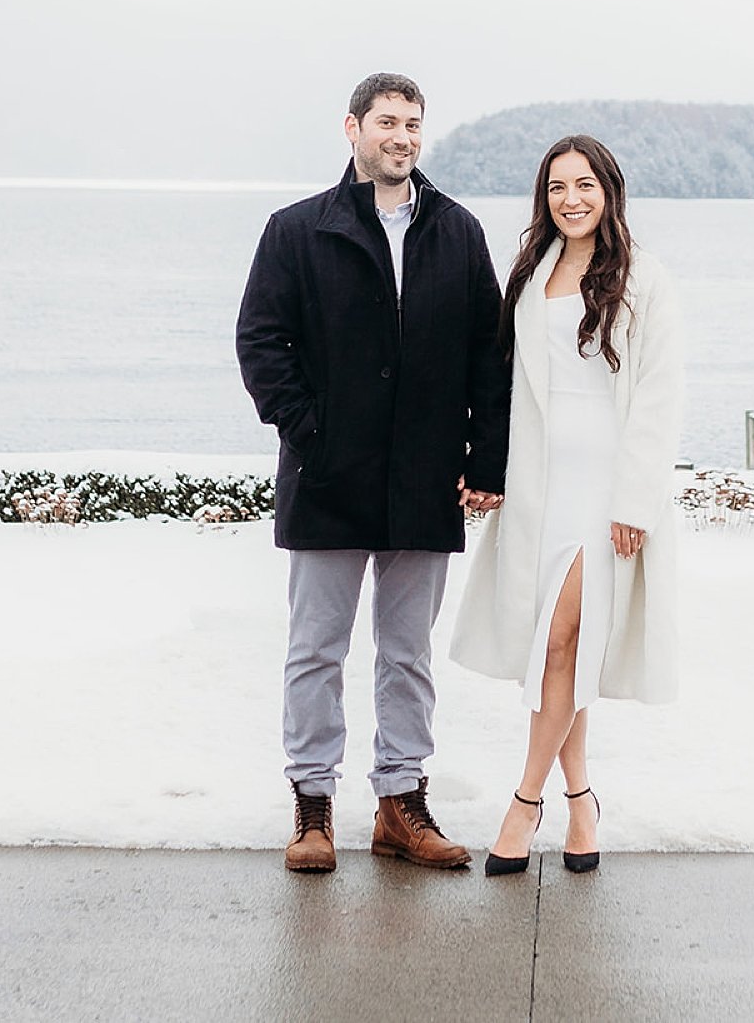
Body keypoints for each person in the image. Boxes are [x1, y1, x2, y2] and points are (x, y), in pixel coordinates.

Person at [236, 72, 510, 874]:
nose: (402, 136)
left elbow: (486, 358)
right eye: (387, 121)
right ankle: (312, 805)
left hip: (425, 481)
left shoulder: (456, 231)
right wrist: (312, 435)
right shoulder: (295, 230)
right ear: (352, 128)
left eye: (413, 124)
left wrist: (485, 460)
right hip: (327, 478)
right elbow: (262, 343)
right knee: (316, 648)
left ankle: (401, 802)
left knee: (407, 652)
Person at [449, 134, 684, 876]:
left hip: (607, 491)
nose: (571, 199)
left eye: (585, 184)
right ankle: (582, 798)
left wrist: (635, 500)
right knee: (560, 650)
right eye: (557, 188)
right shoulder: (533, 273)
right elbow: (506, 382)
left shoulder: (645, 278)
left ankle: (523, 803)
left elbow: (658, 394)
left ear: (609, 190)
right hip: (540, 486)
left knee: (563, 641)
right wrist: (484, 466)